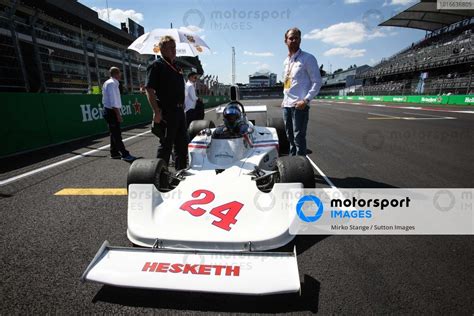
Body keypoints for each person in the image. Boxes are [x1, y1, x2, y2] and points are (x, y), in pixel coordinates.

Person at [145, 36, 188, 170]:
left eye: (174, 47)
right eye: (169, 47)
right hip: (167, 112)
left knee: (182, 145)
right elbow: (149, 90)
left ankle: (180, 173)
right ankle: (160, 176)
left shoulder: (177, 67)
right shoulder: (156, 66)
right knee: (166, 145)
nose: (173, 50)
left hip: (180, 112)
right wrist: (156, 111)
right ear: (161, 49)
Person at [282, 27, 322, 156]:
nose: (293, 40)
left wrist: (306, 100)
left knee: (299, 138)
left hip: (300, 106)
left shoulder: (308, 58)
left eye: (296, 38)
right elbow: (287, 83)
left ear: (300, 40)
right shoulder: (286, 61)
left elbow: (317, 81)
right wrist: (284, 100)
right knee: (289, 137)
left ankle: (301, 167)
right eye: (291, 38)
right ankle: (293, 165)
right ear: (285, 40)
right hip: (287, 105)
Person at [102, 66, 136, 162]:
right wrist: (118, 114)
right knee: (117, 134)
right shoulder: (112, 84)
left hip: (109, 110)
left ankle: (114, 152)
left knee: (113, 132)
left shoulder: (108, 82)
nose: (120, 75)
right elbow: (113, 101)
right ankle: (125, 154)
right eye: (119, 73)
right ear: (117, 74)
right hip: (111, 111)